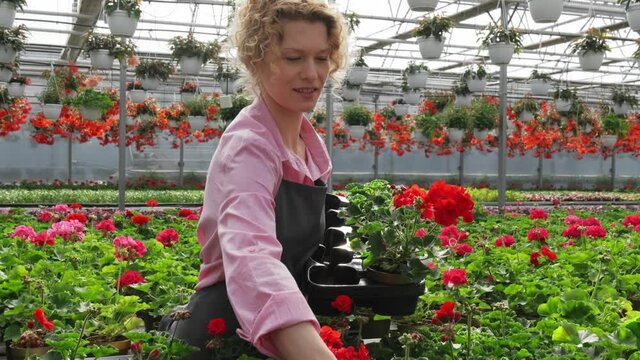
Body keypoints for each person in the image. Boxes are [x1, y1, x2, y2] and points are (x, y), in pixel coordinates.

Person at [167, 1, 348, 359]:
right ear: (256, 60)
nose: (312, 74)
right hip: (223, 337)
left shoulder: (307, 149)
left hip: (284, 333)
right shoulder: (249, 148)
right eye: (294, 58)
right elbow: (253, 258)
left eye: (322, 58)